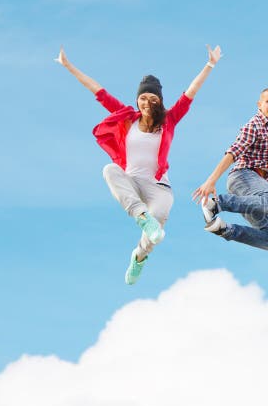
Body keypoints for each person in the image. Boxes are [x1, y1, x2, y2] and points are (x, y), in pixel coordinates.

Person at [56, 44, 221, 284]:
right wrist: (69, 66)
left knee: (157, 233)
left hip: (158, 188)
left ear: (159, 101)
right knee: (110, 170)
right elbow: (98, 91)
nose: (147, 102)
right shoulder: (127, 117)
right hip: (131, 183)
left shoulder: (170, 120)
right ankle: (140, 215)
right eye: (143, 97)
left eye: (152, 98)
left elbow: (190, 93)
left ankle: (139, 257)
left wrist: (210, 64)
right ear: (138, 100)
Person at [193, 87, 268, 250]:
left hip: (252, 192)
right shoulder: (254, 125)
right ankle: (217, 203)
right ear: (260, 105)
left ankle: (224, 229)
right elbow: (233, 152)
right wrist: (211, 181)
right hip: (243, 176)